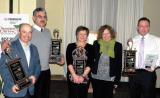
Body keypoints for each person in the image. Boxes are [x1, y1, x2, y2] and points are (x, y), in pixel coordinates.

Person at [0, 23, 41, 98]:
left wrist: (35, 76)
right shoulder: (9, 47)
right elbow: (3, 68)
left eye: (29, 32)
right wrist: (11, 85)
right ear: (19, 33)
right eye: (24, 32)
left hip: (29, 90)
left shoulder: (34, 48)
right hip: (13, 91)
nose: (27, 35)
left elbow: (38, 66)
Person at [31, 7, 64, 98]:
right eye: (39, 16)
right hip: (33, 72)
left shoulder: (47, 32)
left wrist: (59, 57)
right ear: (34, 18)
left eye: (45, 17)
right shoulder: (28, 31)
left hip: (46, 71)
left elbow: (50, 51)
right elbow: (13, 44)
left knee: (45, 95)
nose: (43, 19)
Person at [128, 17, 160, 98]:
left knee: (149, 96)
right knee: (134, 95)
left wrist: (155, 66)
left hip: (148, 73)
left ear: (149, 27)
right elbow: (129, 56)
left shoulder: (157, 40)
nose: (144, 28)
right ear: (137, 27)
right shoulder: (133, 40)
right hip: (133, 73)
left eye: (146, 26)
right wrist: (129, 67)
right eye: (141, 26)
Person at [91, 25, 122, 98]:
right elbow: (92, 59)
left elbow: (119, 63)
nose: (106, 35)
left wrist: (117, 80)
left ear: (111, 34)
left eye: (108, 33)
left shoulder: (118, 45)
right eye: (103, 33)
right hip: (96, 77)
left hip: (110, 77)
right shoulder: (96, 43)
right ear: (101, 35)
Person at [66, 26, 94, 98]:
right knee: (72, 95)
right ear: (76, 35)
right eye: (80, 34)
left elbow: (90, 63)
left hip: (85, 76)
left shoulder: (91, 47)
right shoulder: (70, 46)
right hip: (72, 75)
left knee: (83, 95)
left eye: (85, 34)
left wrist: (83, 76)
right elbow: (69, 62)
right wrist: (74, 75)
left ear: (87, 36)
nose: (82, 36)